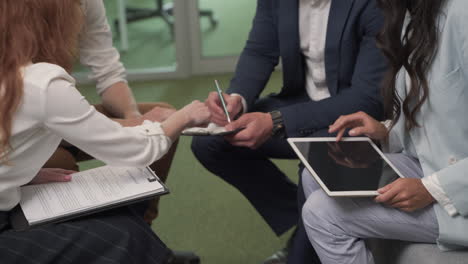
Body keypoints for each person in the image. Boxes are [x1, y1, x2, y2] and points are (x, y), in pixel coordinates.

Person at [0, 0, 211, 263]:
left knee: (123, 229)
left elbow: (107, 70)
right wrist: (185, 116)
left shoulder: (24, 78)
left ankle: (145, 243)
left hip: (43, 131)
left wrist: (21, 176)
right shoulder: (42, 83)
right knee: (123, 233)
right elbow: (137, 150)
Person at [191, 0, 386, 262]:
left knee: (317, 161)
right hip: (301, 102)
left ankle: (306, 243)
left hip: (354, 117)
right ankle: (308, 221)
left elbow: (366, 99)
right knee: (212, 142)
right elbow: (260, 51)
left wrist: (277, 120)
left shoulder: (373, 5)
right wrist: (237, 98)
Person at [301, 0, 468, 263]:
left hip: (457, 189)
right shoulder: (412, 17)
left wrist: (431, 188)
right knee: (317, 172)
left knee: (321, 213)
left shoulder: (463, 13)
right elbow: (437, 117)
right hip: (431, 165)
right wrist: (385, 131)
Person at [41, 0, 178, 224]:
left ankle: (141, 230)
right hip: (15, 131)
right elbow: (29, 114)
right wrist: (137, 128)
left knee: (162, 121)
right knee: (60, 162)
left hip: (62, 116)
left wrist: (136, 119)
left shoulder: (87, 3)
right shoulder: (15, 11)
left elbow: (108, 73)